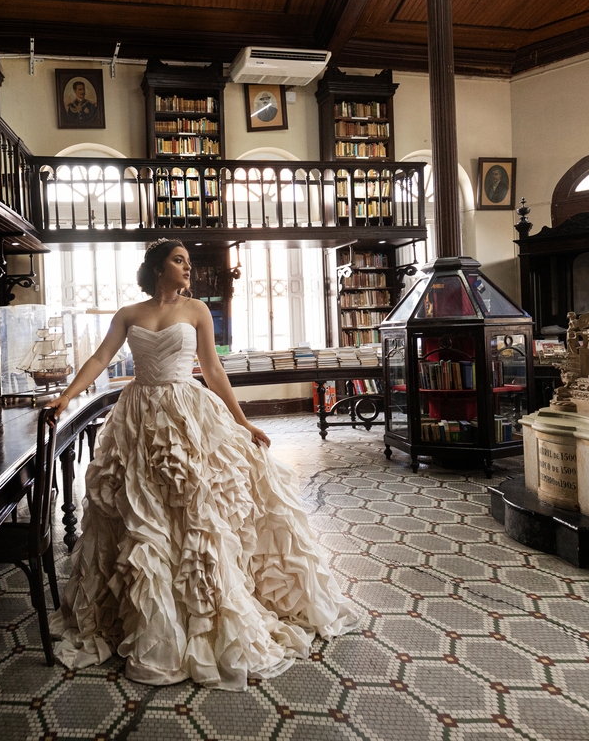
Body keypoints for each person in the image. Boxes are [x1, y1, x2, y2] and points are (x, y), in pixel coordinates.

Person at [46, 239, 357, 691]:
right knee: (142, 511)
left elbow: (212, 369)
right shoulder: (128, 314)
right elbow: (99, 359)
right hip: (137, 416)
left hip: (186, 413)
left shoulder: (197, 311)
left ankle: (199, 608)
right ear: (157, 268)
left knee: (193, 506)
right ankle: (147, 613)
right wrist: (66, 397)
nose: (188, 268)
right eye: (179, 261)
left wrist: (242, 421)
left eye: (189, 262)